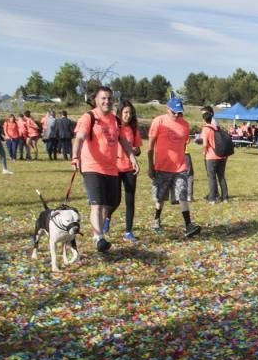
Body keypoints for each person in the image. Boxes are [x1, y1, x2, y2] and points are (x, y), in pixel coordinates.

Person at [71, 85, 140, 253]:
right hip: (92, 166)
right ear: (96, 100)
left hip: (111, 168)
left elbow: (123, 141)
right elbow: (79, 138)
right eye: (103, 98)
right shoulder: (89, 117)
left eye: (109, 98)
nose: (106, 101)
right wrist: (75, 156)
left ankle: (99, 235)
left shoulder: (115, 121)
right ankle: (99, 237)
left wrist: (132, 158)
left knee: (106, 205)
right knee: (97, 204)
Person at [149, 97, 200, 237]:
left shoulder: (185, 125)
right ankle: (156, 219)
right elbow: (151, 146)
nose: (177, 115)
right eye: (174, 112)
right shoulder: (159, 121)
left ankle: (188, 224)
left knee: (182, 194)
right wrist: (150, 165)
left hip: (180, 167)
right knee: (160, 197)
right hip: (162, 166)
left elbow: (183, 145)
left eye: (180, 113)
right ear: (168, 109)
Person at [111, 100, 142, 243]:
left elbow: (138, 149)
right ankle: (107, 217)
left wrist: (136, 151)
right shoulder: (114, 127)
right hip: (115, 167)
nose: (128, 116)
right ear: (120, 113)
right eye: (125, 113)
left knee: (130, 201)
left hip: (130, 168)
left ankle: (128, 231)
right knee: (115, 200)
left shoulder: (133, 129)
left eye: (130, 113)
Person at [200, 106, 229, 203]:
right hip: (222, 155)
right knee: (221, 177)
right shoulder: (218, 127)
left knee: (211, 177)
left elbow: (205, 144)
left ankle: (212, 198)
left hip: (211, 156)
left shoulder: (206, 129)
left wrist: (204, 152)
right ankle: (225, 197)